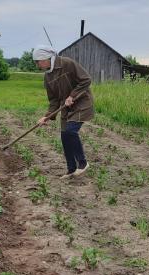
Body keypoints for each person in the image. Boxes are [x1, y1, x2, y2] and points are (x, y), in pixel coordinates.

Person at [33, 46, 95, 179]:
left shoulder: (67, 63)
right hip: (66, 108)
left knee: (70, 131)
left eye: (38, 61)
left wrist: (72, 96)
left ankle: (83, 163)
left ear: (46, 58)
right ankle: (71, 169)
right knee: (64, 136)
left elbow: (86, 80)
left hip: (82, 103)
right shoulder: (47, 77)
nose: (37, 64)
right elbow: (54, 100)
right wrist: (47, 116)